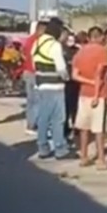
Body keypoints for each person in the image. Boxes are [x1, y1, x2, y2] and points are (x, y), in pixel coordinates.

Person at [72, 26, 107, 170]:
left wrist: (88, 82)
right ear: (100, 37)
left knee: (84, 127)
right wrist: (96, 93)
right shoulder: (102, 51)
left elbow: (75, 75)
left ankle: (84, 157)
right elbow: (99, 74)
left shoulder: (80, 52)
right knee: (98, 128)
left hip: (83, 93)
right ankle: (101, 160)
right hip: (98, 94)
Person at [31, 17, 72, 160]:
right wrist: (67, 77)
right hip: (55, 86)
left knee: (43, 118)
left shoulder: (37, 43)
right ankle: (60, 148)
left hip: (41, 85)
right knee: (58, 119)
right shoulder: (54, 45)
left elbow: (34, 63)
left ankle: (43, 147)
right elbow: (61, 68)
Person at [21, 20, 47, 135]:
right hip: (35, 73)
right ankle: (33, 125)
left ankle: (30, 124)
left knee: (31, 100)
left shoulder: (29, 40)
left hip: (28, 71)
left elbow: (23, 53)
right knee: (37, 100)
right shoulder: (38, 41)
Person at [62, 31, 81, 142]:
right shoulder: (61, 50)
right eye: (68, 39)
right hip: (66, 82)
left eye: (72, 39)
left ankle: (76, 127)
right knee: (66, 107)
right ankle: (65, 128)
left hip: (76, 81)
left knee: (75, 107)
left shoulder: (78, 50)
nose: (70, 42)